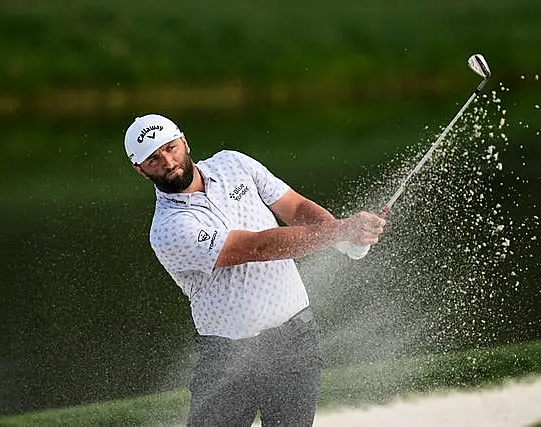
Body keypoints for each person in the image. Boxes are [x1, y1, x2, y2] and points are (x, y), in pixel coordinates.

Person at [123, 113, 386, 427]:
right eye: (154, 158)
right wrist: (341, 232)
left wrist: (344, 238)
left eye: (171, 147)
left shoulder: (233, 164)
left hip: (296, 339)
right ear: (140, 170)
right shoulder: (168, 229)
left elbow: (296, 208)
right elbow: (256, 248)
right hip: (228, 358)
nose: (167, 161)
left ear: (185, 142)